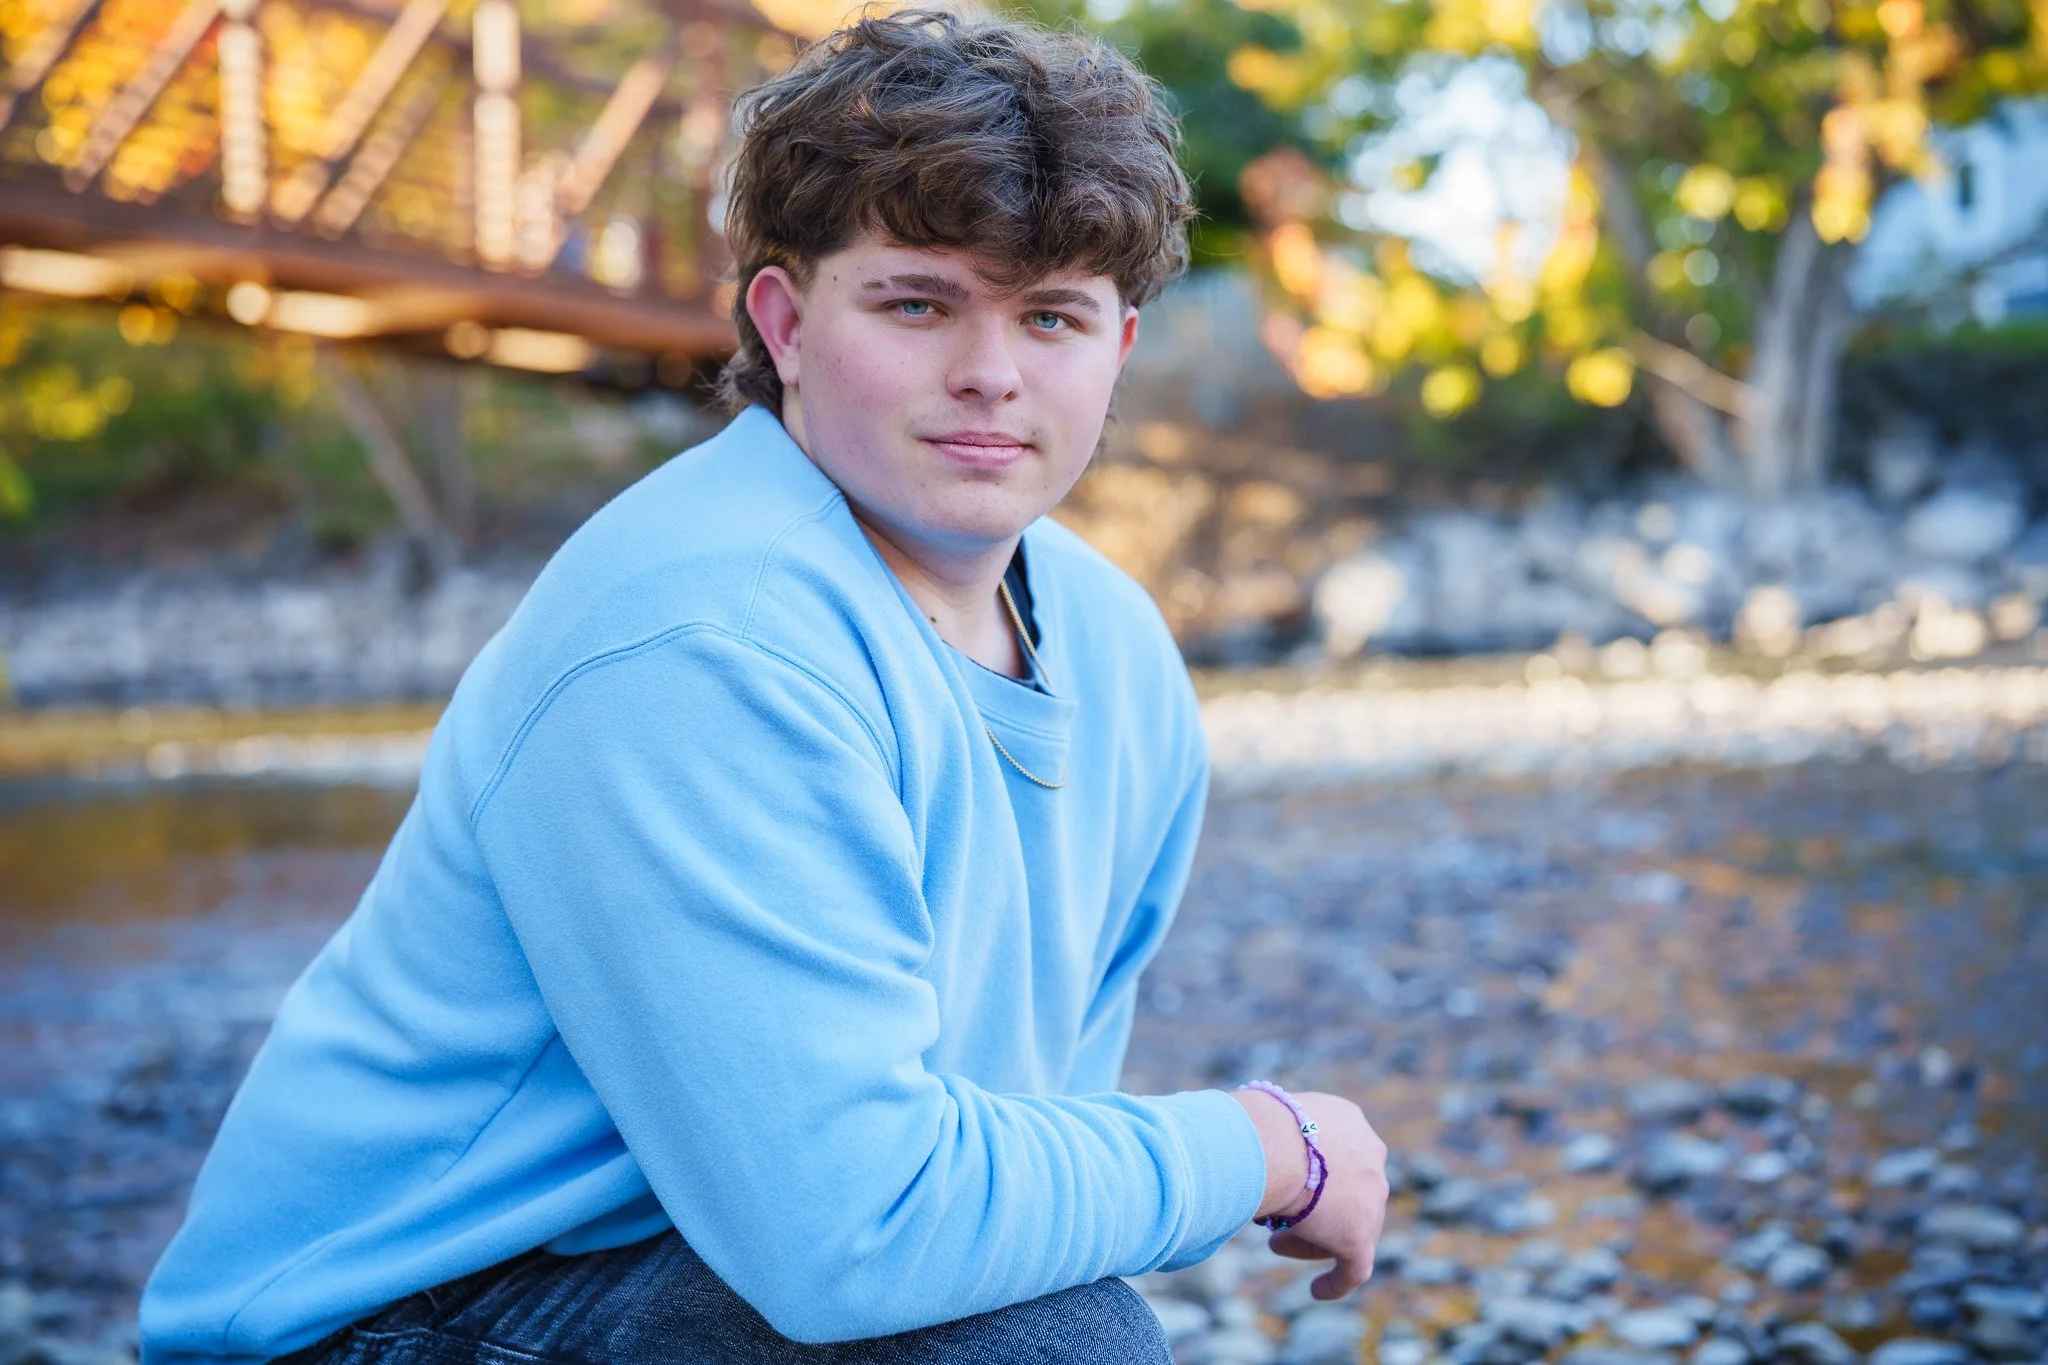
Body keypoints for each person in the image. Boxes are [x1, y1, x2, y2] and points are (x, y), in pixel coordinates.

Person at [138, 11, 1390, 1363]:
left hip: (704, 1260)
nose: (990, 371)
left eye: (1051, 316)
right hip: (385, 1317)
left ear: (1120, 348)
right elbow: (861, 1235)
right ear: (785, 324)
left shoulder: (1121, 655)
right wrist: (1268, 1147)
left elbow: (1002, 1155)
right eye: (918, 302)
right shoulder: (702, 633)